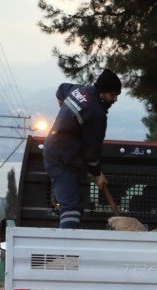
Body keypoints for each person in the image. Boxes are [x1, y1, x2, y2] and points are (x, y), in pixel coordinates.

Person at [43, 69, 122, 229]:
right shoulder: (96, 114)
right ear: (103, 92)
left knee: (74, 204)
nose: (114, 99)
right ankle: (64, 251)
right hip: (62, 160)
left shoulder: (80, 90)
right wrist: (97, 174)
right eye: (112, 95)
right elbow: (92, 153)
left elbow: (61, 89)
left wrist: (66, 117)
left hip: (55, 151)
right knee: (71, 209)